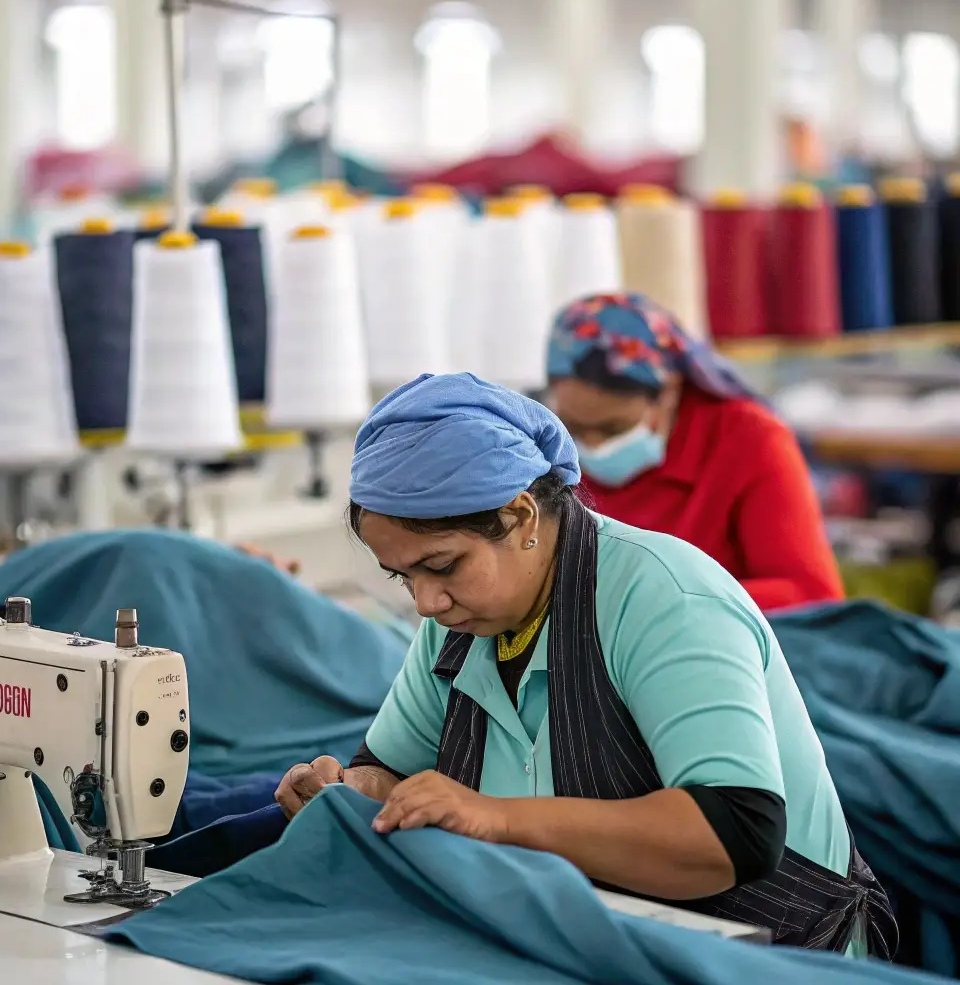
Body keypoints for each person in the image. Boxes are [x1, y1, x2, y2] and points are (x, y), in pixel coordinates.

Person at [276, 373, 895, 958]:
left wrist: (496, 817)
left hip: (776, 955)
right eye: (402, 575)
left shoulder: (665, 597)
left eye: (440, 567)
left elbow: (735, 833)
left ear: (519, 516)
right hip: (596, 939)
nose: (425, 603)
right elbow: (391, 771)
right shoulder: (460, 623)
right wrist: (353, 793)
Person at [545, 293, 844, 611]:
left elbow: (810, 593)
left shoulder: (747, 439)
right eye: (575, 429)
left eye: (613, 429)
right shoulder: (542, 447)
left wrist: (661, 603)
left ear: (670, 391)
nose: (594, 446)